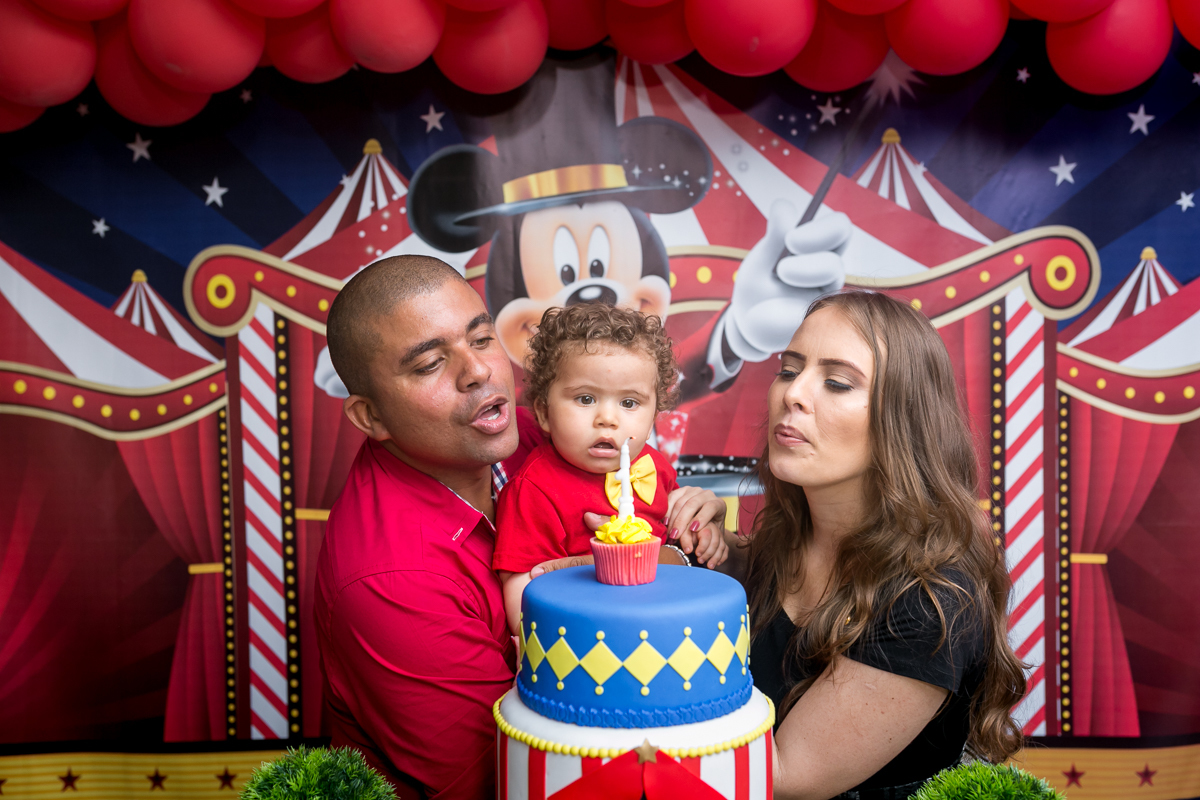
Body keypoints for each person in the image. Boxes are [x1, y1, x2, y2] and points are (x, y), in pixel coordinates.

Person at [313, 255, 729, 800]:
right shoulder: (390, 580)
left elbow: (650, 496)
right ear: (372, 418)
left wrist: (697, 522)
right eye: (430, 364)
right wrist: (635, 570)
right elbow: (509, 778)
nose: (478, 371)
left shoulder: (539, 434)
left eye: (481, 338)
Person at [732, 290, 1027, 800]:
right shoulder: (777, 545)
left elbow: (782, 776)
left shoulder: (932, 600)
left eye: (837, 382)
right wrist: (694, 549)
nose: (793, 393)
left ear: (902, 419)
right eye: (789, 369)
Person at [493, 304, 728, 633]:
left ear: (654, 417)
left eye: (629, 403)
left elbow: (676, 540)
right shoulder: (534, 489)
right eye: (585, 399)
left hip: (667, 628)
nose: (608, 418)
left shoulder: (654, 467)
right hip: (588, 639)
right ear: (544, 413)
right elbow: (521, 602)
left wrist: (702, 536)